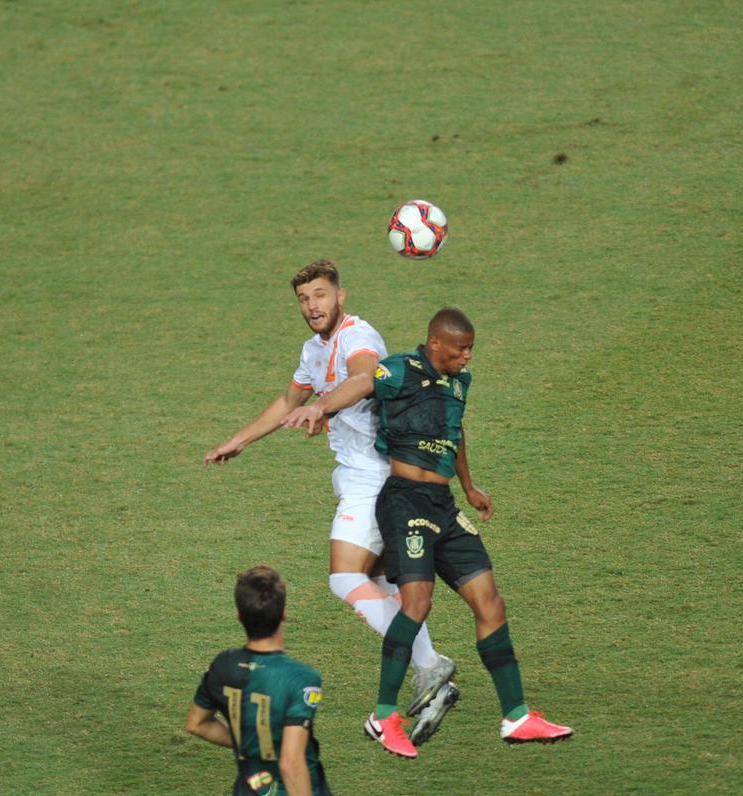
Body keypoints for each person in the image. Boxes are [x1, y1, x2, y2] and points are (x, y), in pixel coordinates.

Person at [203, 260, 458, 744]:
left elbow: (363, 378)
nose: (312, 306)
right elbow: (287, 401)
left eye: (320, 295)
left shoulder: (360, 336)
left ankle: (430, 664)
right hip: (362, 477)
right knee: (378, 580)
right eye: (304, 299)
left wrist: (322, 406)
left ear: (341, 295)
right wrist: (239, 440)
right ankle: (431, 672)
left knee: (344, 577)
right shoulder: (313, 350)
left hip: (377, 476)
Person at [360, 309, 574, 759]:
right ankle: (383, 716)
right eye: (461, 349)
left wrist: (469, 486)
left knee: (489, 599)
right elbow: (360, 385)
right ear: (436, 343)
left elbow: (455, 431)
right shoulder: (398, 369)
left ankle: (516, 716)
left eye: (470, 349)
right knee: (417, 601)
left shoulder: (459, 383)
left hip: (443, 505)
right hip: (405, 500)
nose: (467, 356)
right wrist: (320, 407)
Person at [185, 566, 330, 796]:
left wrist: (252, 744)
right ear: (284, 613)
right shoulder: (301, 679)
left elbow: (196, 724)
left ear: (239, 615)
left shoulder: (222, 666)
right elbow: (291, 764)